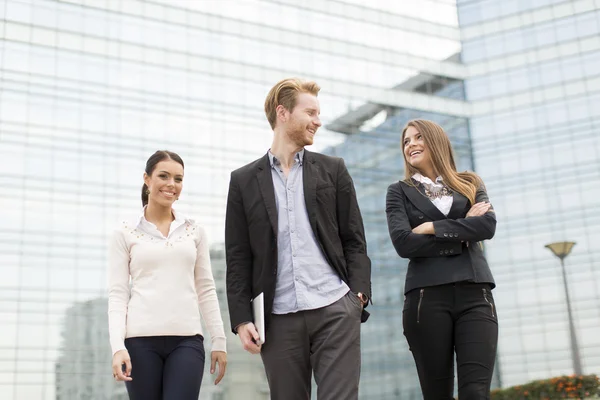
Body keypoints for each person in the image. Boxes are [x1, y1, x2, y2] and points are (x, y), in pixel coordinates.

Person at [225, 78, 372, 400]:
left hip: (335, 307)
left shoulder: (333, 170)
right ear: (283, 113)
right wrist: (241, 320)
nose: (318, 121)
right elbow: (238, 257)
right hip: (277, 319)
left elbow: (354, 238)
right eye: (311, 112)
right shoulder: (243, 181)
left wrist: (357, 295)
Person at [386, 119, 498, 400]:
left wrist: (432, 227)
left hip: (476, 295)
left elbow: (487, 227)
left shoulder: (470, 182)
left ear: (436, 141)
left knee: (476, 392)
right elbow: (404, 243)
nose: (410, 144)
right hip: (427, 298)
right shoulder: (398, 191)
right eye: (406, 141)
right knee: (437, 394)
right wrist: (462, 229)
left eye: (417, 137)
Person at [107, 150, 227, 400]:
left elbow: (205, 289)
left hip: (187, 341)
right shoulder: (125, 232)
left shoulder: (194, 230)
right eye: (164, 176)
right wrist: (118, 347)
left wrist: (219, 340)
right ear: (147, 179)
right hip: (139, 343)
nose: (172, 184)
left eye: (178, 179)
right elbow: (118, 295)